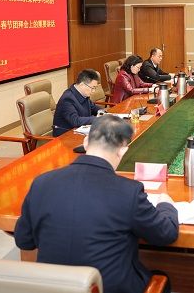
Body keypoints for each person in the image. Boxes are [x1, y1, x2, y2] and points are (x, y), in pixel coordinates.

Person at [15, 115, 179, 293]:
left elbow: (24, 241)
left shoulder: (41, 183)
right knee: (161, 278)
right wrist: (166, 205)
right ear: (123, 150)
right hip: (108, 288)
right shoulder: (128, 191)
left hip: (52, 288)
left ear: (85, 142)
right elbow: (166, 234)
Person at [52, 69, 102, 137]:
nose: (93, 91)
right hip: (65, 136)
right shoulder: (67, 99)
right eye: (92, 88)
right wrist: (97, 119)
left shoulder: (83, 93)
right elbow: (75, 121)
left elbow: (93, 107)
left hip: (79, 131)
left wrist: (103, 113)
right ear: (82, 85)